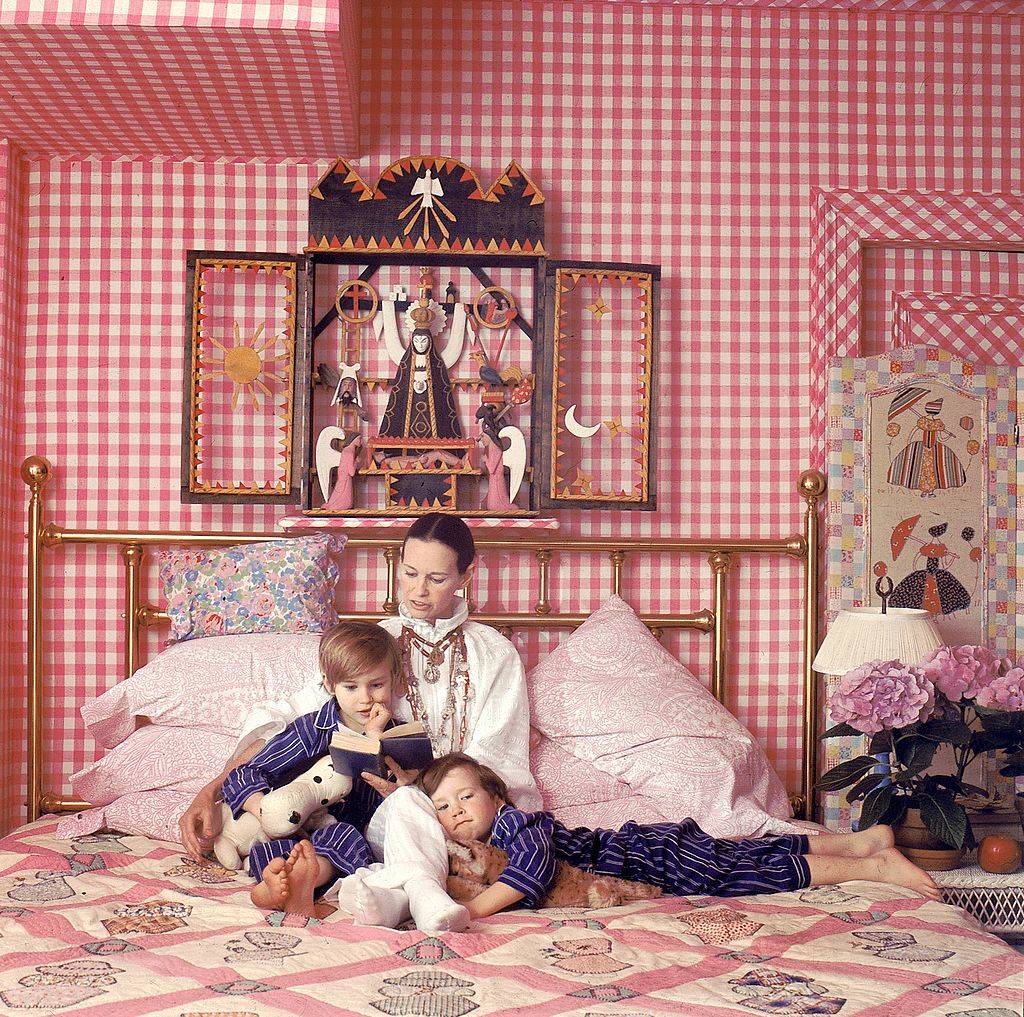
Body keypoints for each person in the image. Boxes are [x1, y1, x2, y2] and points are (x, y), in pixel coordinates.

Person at [179, 512, 539, 932]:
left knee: (414, 808)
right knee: (341, 828)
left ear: (466, 575)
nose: (419, 591)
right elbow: (288, 718)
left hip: (460, 816)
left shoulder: (494, 654)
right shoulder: (372, 643)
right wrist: (213, 789)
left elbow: (500, 759)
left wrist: (428, 794)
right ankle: (325, 884)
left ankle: (387, 894)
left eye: (437, 579)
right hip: (377, 819)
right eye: (409, 572)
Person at [419, 753, 942, 921]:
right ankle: (858, 842)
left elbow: (532, 872)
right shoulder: (467, 847)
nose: (456, 812)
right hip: (652, 850)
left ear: (498, 796)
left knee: (741, 872)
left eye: (466, 797)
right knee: (744, 853)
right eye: (442, 807)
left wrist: (474, 911)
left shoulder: (519, 825)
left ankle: (869, 866)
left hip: (646, 859)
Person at [222, 622, 403, 918]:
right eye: (351, 686)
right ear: (329, 685)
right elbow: (247, 772)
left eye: (376, 685)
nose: (365, 698)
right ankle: (275, 882)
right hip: (296, 821)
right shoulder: (312, 730)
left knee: (347, 843)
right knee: (276, 845)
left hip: (346, 832)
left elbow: (401, 804)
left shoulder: (397, 737)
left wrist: (387, 761)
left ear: (393, 680)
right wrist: (265, 809)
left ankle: (302, 882)